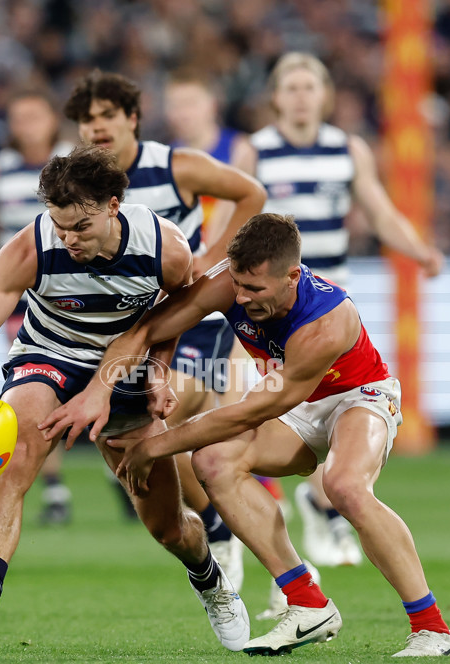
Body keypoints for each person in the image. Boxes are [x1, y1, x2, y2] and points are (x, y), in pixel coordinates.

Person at [40, 213, 450, 659]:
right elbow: (150, 327)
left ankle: (433, 630)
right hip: (294, 400)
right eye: (238, 285)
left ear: (292, 277)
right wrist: (119, 385)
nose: (241, 298)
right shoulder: (230, 282)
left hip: (357, 395)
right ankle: (307, 604)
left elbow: (251, 412)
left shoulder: (326, 323)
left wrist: (155, 445)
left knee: (345, 488)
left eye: (255, 290)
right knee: (213, 463)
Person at [0, 145, 250, 653]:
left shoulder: (165, 248)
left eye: (80, 227)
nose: (69, 239)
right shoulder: (29, 248)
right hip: (49, 355)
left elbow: (179, 312)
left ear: (113, 205)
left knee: (169, 527)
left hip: (124, 367)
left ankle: (210, 579)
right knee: (16, 447)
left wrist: (158, 371)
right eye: (59, 226)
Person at [63, 69, 266, 587]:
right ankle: (221, 529)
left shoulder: (177, 166)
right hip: (123, 333)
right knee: (150, 441)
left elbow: (251, 194)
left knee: (164, 416)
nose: (97, 127)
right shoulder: (80, 186)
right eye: (87, 120)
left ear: (132, 118)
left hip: (190, 323)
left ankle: (227, 535)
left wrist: (214, 262)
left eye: (108, 115)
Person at [246, 52, 446, 573]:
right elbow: (238, 224)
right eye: (290, 86)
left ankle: (318, 505)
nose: (300, 95)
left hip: (330, 307)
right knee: (269, 410)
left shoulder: (347, 149)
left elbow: (378, 211)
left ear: (326, 94)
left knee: (330, 400)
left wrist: (419, 250)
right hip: (269, 310)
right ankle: (307, 511)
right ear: (275, 96)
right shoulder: (256, 151)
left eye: (309, 85)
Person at [162, 68, 302, 595]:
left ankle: (272, 563)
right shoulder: (169, 162)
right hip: (198, 299)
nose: (181, 114)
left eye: (189, 103)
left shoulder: (235, 152)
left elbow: (250, 215)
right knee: (177, 429)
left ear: (209, 106)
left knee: (237, 425)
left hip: (238, 296)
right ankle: (225, 533)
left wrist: (215, 262)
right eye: (174, 105)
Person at [0, 88, 75, 525]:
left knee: (96, 380)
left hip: (79, 294)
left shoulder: (77, 163)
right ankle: (54, 488)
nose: (27, 125)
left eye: (34, 115)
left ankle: (110, 468)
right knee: (34, 386)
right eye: (19, 117)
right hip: (25, 301)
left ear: (52, 119)